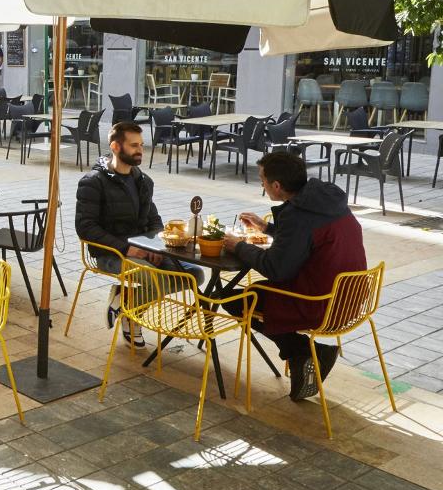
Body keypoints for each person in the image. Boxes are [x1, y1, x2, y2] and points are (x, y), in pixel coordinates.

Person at [221, 152, 362, 401]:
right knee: (256, 293)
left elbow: (277, 269)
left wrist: (239, 247)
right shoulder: (324, 199)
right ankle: (303, 354)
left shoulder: (298, 215)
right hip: (351, 298)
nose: (262, 185)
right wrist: (268, 229)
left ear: (276, 186)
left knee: (232, 299)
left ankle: (306, 351)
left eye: (263, 180)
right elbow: (305, 239)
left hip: (321, 304)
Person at [75, 121, 203, 347]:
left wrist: (156, 248)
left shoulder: (143, 181)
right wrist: (127, 248)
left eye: (141, 145)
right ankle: (132, 319)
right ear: (115, 147)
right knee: (156, 281)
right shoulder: (93, 182)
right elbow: (86, 227)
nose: (140, 150)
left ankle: (125, 301)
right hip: (111, 253)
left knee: (195, 275)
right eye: (134, 145)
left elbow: (154, 220)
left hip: (143, 251)